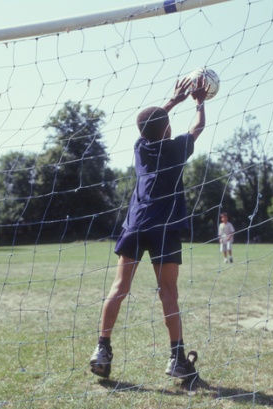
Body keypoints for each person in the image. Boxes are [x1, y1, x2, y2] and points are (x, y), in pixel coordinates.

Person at [89, 75, 208, 380]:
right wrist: (199, 103)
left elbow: (149, 124)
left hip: (135, 225)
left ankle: (102, 348)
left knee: (119, 288)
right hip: (165, 228)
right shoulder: (176, 148)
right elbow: (198, 127)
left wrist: (173, 100)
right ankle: (176, 358)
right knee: (168, 291)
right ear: (167, 128)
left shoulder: (141, 148)